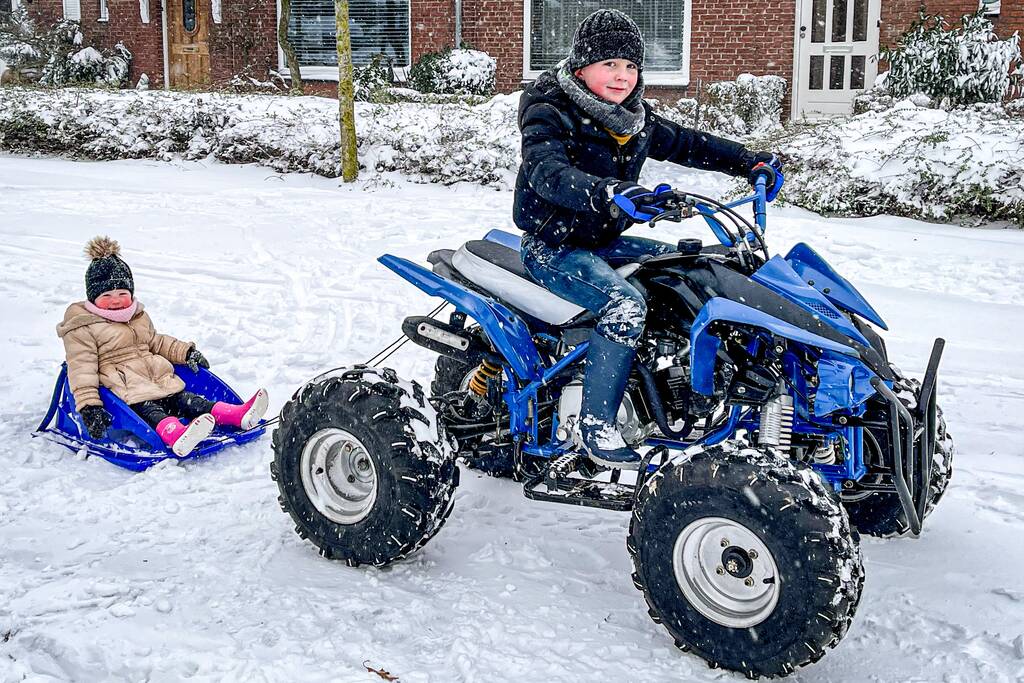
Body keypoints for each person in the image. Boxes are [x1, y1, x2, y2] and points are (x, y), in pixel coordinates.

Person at [513, 9, 784, 468]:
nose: (622, 76)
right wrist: (610, 192)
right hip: (553, 245)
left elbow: (689, 144)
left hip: (604, 240)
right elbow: (546, 172)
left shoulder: (633, 119)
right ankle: (596, 425)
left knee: (694, 272)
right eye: (610, 65)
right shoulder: (549, 110)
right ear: (582, 68)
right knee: (625, 305)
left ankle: (668, 388)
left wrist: (750, 161)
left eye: (631, 66)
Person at [56, 236, 269, 457]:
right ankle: (176, 435)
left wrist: (186, 352)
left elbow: (157, 342)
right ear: (92, 298)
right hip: (126, 390)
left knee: (189, 401)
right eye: (107, 295)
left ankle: (236, 415)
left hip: (158, 379)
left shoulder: (137, 316)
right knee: (151, 410)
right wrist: (89, 406)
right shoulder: (83, 327)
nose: (116, 300)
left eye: (122, 294)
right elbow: (82, 368)